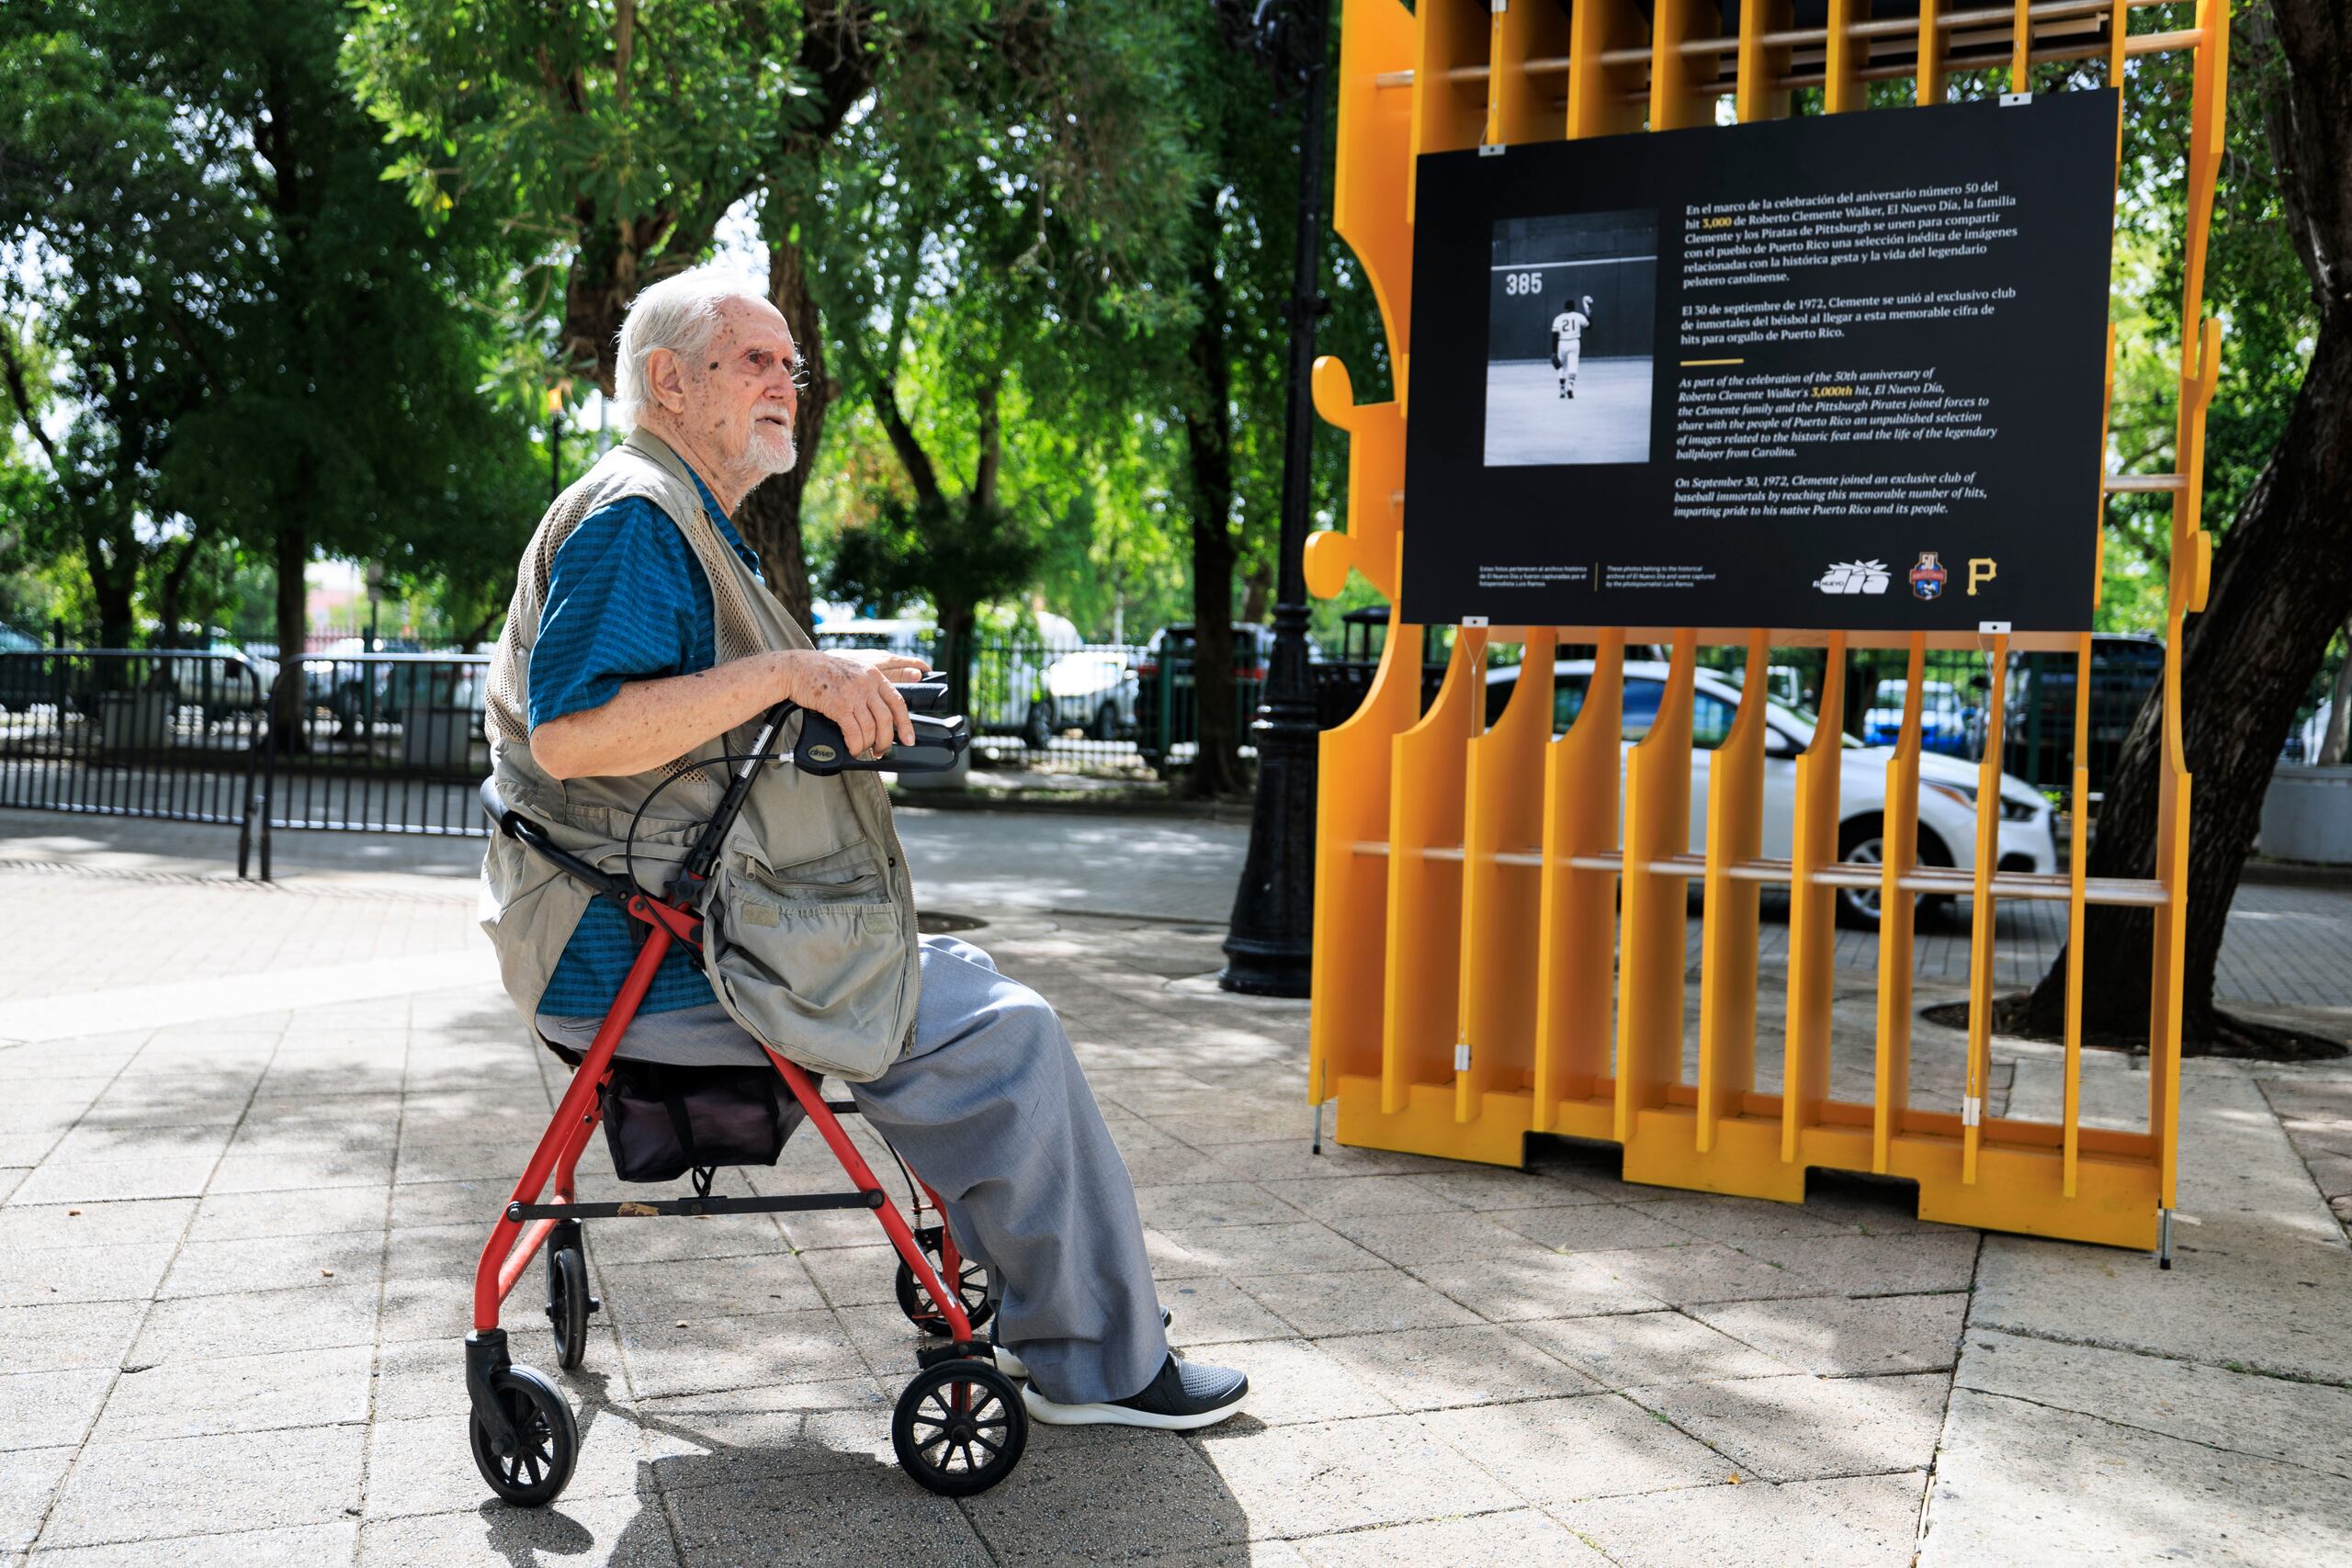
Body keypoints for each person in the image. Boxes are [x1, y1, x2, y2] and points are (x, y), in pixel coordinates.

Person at [477, 265, 1247, 1432]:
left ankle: (1060, 1298)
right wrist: (795, 675)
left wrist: (830, 683)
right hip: (645, 955)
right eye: (756, 361)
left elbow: (680, 707)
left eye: (792, 364)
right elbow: (577, 734)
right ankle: (1096, 1362)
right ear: (668, 383)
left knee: (976, 989)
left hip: (659, 933)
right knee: (1013, 1034)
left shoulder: (670, 510)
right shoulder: (638, 516)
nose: (788, 383)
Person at [1551, 293, 1592, 399]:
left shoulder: (1558, 318)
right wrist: (1589, 315)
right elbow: (1588, 327)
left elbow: (1555, 336)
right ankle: (1570, 387)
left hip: (1562, 343)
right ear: (1573, 307)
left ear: (1564, 308)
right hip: (1574, 342)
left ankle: (1561, 389)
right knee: (1573, 365)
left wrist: (1554, 352)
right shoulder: (1578, 316)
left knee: (1561, 365)